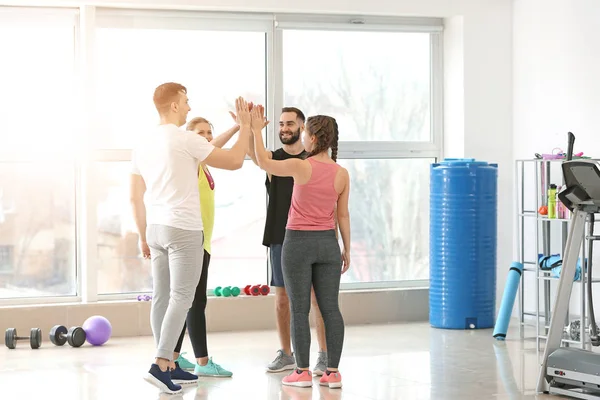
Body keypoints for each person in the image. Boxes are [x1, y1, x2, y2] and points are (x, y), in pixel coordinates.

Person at [129, 82, 251, 394]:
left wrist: (143, 234)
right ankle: (161, 364)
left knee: (162, 296)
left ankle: (170, 362)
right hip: (183, 229)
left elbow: (135, 195)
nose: (188, 107)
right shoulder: (184, 139)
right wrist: (247, 127)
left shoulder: (143, 143)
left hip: (157, 228)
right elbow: (235, 161)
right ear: (172, 105)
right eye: (185, 101)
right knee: (182, 297)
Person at [250, 105, 350, 389]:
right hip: (329, 245)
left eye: (305, 133)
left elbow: (263, 161)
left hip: (297, 244)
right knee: (331, 309)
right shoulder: (342, 173)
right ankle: (333, 372)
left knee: (299, 308)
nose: (302, 138)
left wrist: (256, 131)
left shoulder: (300, 165)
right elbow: (343, 215)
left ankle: (303, 372)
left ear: (314, 138)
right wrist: (348, 249)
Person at [172, 112, 268, 377]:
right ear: (189, 138)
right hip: (192, 240)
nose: (205, 138)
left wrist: (240, 127)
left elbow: (214, 148)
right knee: (193, 301)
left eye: (208, 132)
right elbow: (212, 148)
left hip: (202, 241)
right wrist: (239, 127)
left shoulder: (202, 165)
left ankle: (176, 357)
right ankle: (200, 363)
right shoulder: (191, 158)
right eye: (199, 133)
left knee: (191, 302)